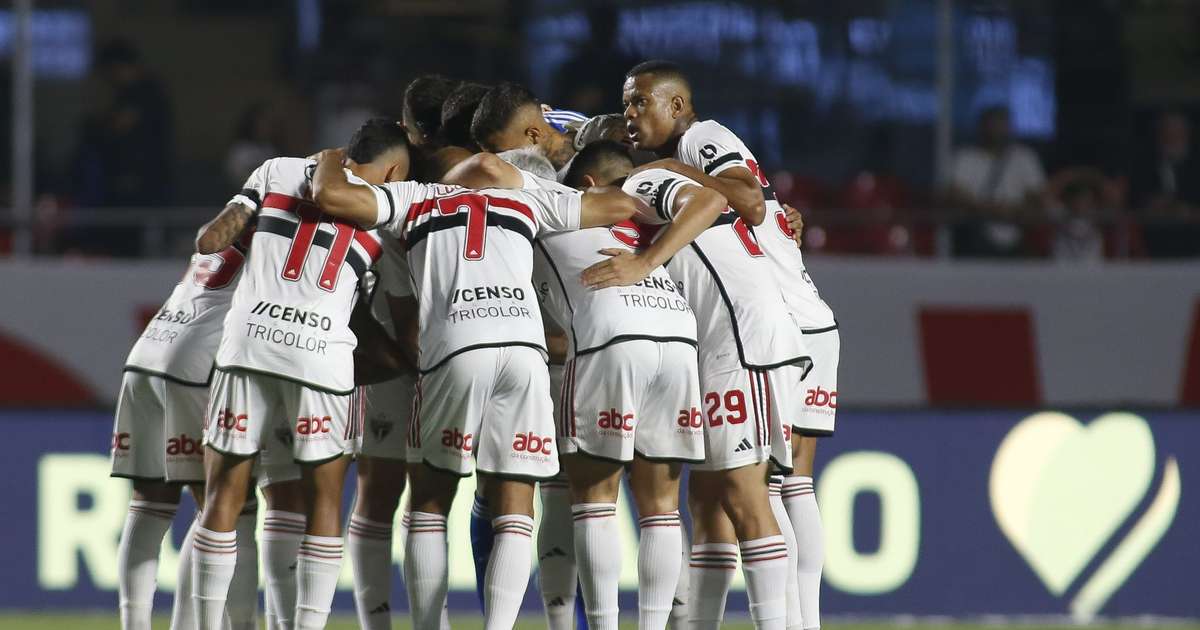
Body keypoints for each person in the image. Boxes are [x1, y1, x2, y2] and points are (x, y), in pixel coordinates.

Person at [309, 146, 641, 630]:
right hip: (525, 351)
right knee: (517, 505)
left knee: (428, 501)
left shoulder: (414, 196)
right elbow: (622, 204)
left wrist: (328, 159)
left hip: (457, 346)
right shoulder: (528, 199)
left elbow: (333, 196)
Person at [192, 118, 410, 630]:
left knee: (224, 495)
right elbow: (379, 315)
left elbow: (211, 239)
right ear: (394, 171)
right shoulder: (390, 209)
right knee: (324, 503)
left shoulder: (276, 170)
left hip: (249, 344)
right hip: (321, 356)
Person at [110, 235, 258, 630]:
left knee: (149, 504)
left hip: (147, 352)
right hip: (195, 361)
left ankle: (134, 623)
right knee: (221, 506)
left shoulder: (225, 228)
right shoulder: (281, 236)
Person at [945, 105, 1047, 257]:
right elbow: (955, 194)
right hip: (975, 239)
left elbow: (1038, 197)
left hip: (1018, 239)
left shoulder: (1025, 157)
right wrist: (992, 210)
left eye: (1002, 125)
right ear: (982, 127)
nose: (997, 130)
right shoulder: (965, 157)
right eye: (993, 125)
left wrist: (1014, 211)